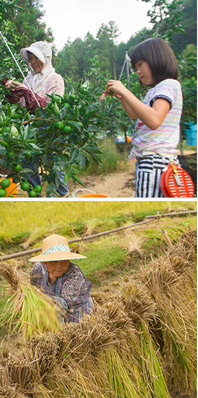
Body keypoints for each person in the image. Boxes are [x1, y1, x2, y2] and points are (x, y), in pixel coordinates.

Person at [101, 37, 182, 197]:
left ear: (157, 59)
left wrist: (126, 91)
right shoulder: (158, 89)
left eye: (140, 65)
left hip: (154, 160)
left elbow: (154, 120)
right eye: (135, 67)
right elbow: (135, 114)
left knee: (147, 201)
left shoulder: (167, 86)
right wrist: (122, 97)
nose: (138, 71)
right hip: (158, 160)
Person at [3, 41, 68, 196]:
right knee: (28, 161)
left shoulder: (55, 79)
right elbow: (23, 104)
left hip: (49, 126)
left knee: (55, 165)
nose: (32, 62)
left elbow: (49, 106)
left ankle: (62, 195)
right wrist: (15, 90)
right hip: (30, 128)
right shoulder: (29, 79)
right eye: (30, 58)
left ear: (45, 59)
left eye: (36, 58)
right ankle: (35, 195)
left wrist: (26, 91)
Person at [28, 234, 92, 323]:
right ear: (45, 261)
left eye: (64, 260)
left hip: (77, 316)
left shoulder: (74, 274)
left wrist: (37, 296)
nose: (59, 266)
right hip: (50, 314)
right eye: (54, 261)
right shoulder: (37, 270)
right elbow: (32, 288)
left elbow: (63, 306)